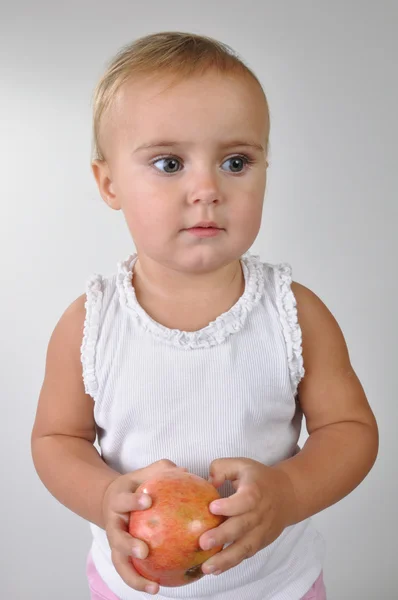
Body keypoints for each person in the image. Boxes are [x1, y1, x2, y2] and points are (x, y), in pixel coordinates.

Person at [31, 31, 379, 600]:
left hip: (276, 586)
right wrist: (102, 499)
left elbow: (351, 431)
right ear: (109, 182)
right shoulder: (90, 323)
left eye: (236, 161)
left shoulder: (294, 313)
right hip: (135, 583)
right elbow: (55, 438)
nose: (206, 189)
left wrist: (288, 493)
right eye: (169, 163)